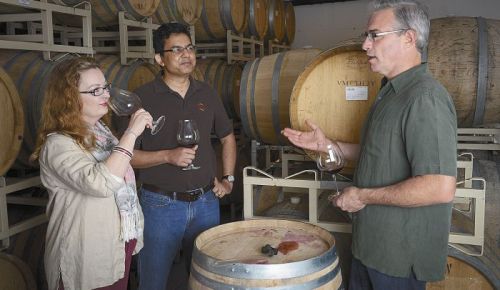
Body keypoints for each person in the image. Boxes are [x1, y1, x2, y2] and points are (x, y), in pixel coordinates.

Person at [282, 1, 457, 289]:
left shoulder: (425, 98)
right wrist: (329, 144)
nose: (365, 45)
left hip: (397, 258)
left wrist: (362, 196)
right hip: (370, 247)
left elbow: (439, 186)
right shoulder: (389, 92)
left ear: (409, 38)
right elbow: (379, 153)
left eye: (374, 35)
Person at [130, 23, 237, 289]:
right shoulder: (143, 98)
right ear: (159, 58)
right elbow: (127, 156)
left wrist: (228, 179)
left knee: (205, 281)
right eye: (176, 49)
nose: (186, 54)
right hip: (160, 206)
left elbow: (227, 138)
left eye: (189, 47)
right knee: (152, 282)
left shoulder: (207, 93)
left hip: (206, 204)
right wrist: (167, 156)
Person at [31, 57, 152, 290]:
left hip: (116, 243)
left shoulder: (101, 131)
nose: (106, 95)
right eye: (95, 90)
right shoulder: (58, 144)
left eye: (105, 87)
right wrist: (131, 133)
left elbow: (120, 169)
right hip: (87, 255)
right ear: (69, 98)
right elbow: (101, 183)